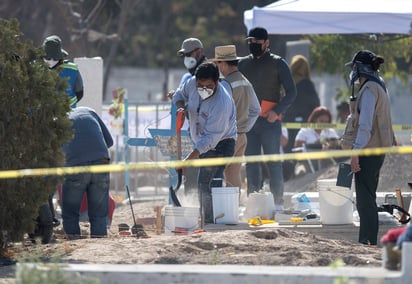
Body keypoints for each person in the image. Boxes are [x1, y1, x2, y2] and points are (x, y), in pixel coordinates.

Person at [238, 27, 297, 210]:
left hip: (270, 121)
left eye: (257, 42)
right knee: (252, 164)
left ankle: (277, 203)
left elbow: (292, 92)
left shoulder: (278, 63)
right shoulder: (243, 64)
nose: (253, 45)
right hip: (250, 122)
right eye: (250, 42)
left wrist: (277, 110)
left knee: (274, 164)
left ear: (267, 42)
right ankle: (254, 202)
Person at [172, 62, 237, 224]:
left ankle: (210, 220)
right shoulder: (191, 83)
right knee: (211, 182)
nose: (203, 89)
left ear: (217, 82)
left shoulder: (222, 103)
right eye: (200, 85)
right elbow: (179, 95)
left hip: (222, 143)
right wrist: (180, 108)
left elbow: (211, 138)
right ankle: (213, 217)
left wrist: (188, 159)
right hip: (202, 140)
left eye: (208, 86)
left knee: (206, 181)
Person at [345, 50, 395, 245]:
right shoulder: (379, 86)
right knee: (368, 197)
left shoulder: (369, 90)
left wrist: (355, 153)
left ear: (359, 68)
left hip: (368, 149)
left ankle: (367, 241)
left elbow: (365, 126)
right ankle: (368, 240)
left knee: (365, 201)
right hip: (376, 149)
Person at [43, 35, 84, 227]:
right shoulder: (73, 69)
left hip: (45, 126)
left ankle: (50, 215)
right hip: (67, 123)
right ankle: (56, 216)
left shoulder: (38, 68)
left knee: (50, 171)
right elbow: (80, 93)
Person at [209, 45, 260, 191]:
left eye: (218, 63)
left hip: (227, 139)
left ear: (223, 63)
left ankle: (215, 210)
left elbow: (220, 111)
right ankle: (233, 209)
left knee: (215, 174)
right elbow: (256, 109)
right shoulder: (246, 81)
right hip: (242, 137)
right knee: (233, 175)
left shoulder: (225, 84)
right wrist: (243, 128)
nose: (217, 67)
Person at [62, 106, 113, 239]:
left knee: (70, 212)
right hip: (101, 162)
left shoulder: (58, 120)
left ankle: (73, 241)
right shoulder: (90, 111)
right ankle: (99, 243)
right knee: (99, 213)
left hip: (76, 165)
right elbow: (110, 141)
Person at [283, 54, 320, 154]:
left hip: (286, 123)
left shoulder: (285, 83)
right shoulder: (307, 84)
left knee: (287, 152)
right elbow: (316, 104)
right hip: (305, 123)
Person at [43, 35, 84, 108]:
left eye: (55, 58)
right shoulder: (34, 68)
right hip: (39, 116)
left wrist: (65, 107)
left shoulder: (72, 69)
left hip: (67, 114)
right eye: (48, 58)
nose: (51, 61)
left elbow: (79, 92)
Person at [294, 106, 340, 172]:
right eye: (321, 121)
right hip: (306, 162)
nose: (324, 124)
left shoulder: (331, 132)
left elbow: (338, 146)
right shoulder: (305, 131)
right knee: (301, 172)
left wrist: (330, 145)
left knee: (335, 170)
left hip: (327, 160)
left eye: (326, 121)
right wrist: (314, 146)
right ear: (314, 119)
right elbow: (297, 150)